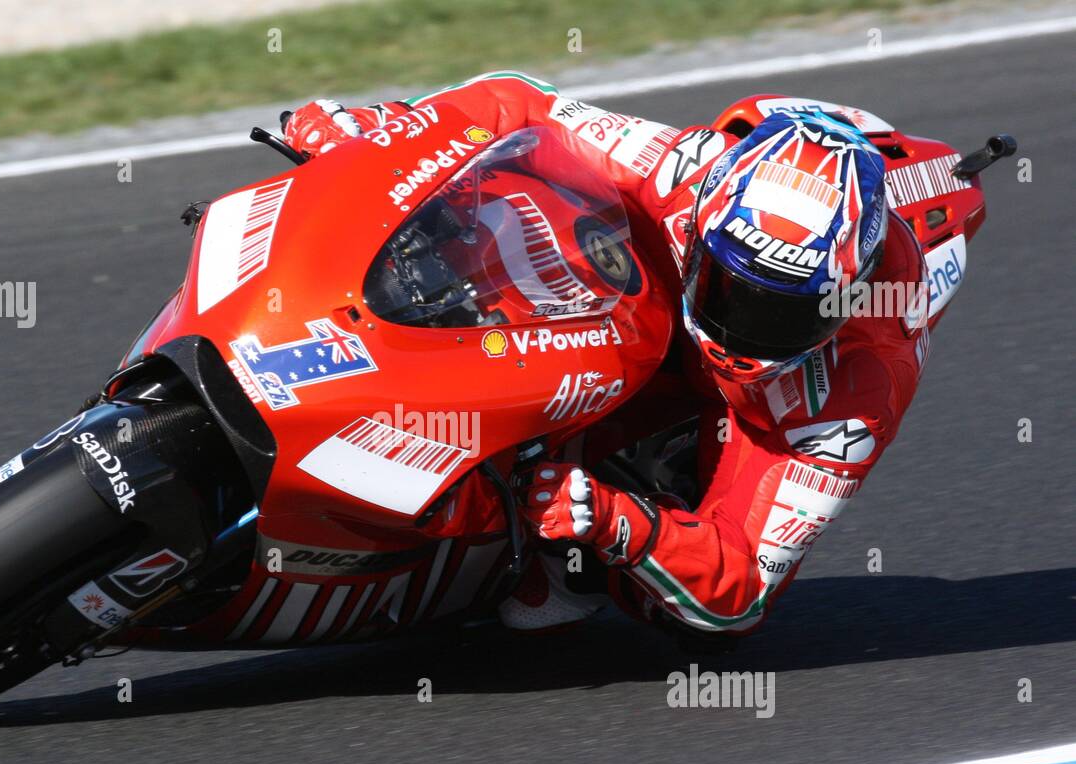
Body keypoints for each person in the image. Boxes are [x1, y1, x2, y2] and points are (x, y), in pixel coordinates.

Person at [281, 73, 931, 644]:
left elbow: (740, 593)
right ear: (707, 223)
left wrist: (616, 520)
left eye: (784, 314)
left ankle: (583, 558)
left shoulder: (860, 388)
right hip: (636, 294)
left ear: (847, 298)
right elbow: (517, 101)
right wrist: (379, 134)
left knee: (670, 618)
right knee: (503, 195)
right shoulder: (687, 171)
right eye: (729, 289)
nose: (743, 330)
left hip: (759, 412)